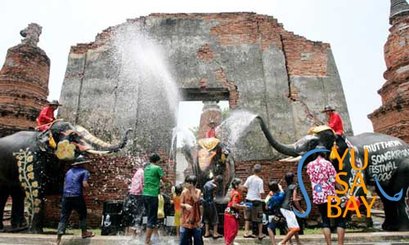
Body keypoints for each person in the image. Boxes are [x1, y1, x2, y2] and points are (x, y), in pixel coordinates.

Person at [306, 147, 345, 245]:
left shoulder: (310, 165)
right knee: (340, 219)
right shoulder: (328, 164)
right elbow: (335, 181)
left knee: (325, 220)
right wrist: (344, 192)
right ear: (324, 153)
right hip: (331, 196)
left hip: (319, 197)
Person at [56, 155, 95, 245]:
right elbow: (85, 184)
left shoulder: (69, 171)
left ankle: (58, 240)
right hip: (76, 195)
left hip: (66, 196)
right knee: (82, 213)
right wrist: (90, 190)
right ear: (82, 164)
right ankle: (84, 232)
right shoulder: (84, 171)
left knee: (64, 216)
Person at [143, 153, 171, 245]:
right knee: (152, 218)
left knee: (151, 216)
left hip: (145, 194)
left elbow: (152, 179)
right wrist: (169, 182)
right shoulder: (157, 168)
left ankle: (156, 236)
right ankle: (147, 241)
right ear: (157, 160)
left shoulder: (146, 168)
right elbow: (164, 179)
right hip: (152, 195)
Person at [278, 172, 303, 245]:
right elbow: (294, 200)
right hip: (287, 208)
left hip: (284, 208)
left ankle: (297, 242)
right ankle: (283, 242)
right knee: (295, 228)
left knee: (294, 225)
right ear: (292, 179)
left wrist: (297, 198)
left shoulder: (287, 187)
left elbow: (289, 198)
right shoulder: (294, 186)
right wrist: (301, 210)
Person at [122, 162, 146, 236]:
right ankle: (138, 234)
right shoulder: (143, 172)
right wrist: (144, 193)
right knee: (139, 213)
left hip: (132, 194)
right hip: (138, 195)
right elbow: (141, 184)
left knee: (134, 213)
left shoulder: (138, 171)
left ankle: (134, 234)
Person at [243, 163, 265, 240]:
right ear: (260, 171)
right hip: (256, 201)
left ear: (253, 170)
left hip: (248, 199)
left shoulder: (249, 178)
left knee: (247, 218)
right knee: (259, 218)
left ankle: (246, 232)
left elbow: (244, 188)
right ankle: (260, 234)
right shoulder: (260, 180)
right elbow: (261, 192)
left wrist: (249, 192)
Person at [180, 175, 202, 245]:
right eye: (187, 183)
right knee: (184, 241)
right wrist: (185, 205)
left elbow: (196, 199)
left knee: (198, 241)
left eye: (190, 183)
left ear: (195, 184)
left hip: (196, 221)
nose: (188, 185)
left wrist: (192, 189)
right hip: (186, 221)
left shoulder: (198, 191)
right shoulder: (184, 192)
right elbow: (180, 204)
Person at [224, 178, 247, 245]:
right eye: (241, 184)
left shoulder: (234, 191)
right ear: (236, 186)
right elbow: (234, 205)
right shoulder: (236, 193)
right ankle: (229, 243)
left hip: (231, 213)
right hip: (231, 214)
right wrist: (243, 207)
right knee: (232, 230)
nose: (242, 185)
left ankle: (231, 242)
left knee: (234, 229)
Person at [266, 181, 285, 245]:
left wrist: (269, 196)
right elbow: (282, 192)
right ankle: (288, 242)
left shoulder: (272, 198)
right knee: (286, 228)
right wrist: (280, 188)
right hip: (284, 214)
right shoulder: (282, 194)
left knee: (269, 228)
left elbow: (267, 207)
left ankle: (274, 244)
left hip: (278, 215)